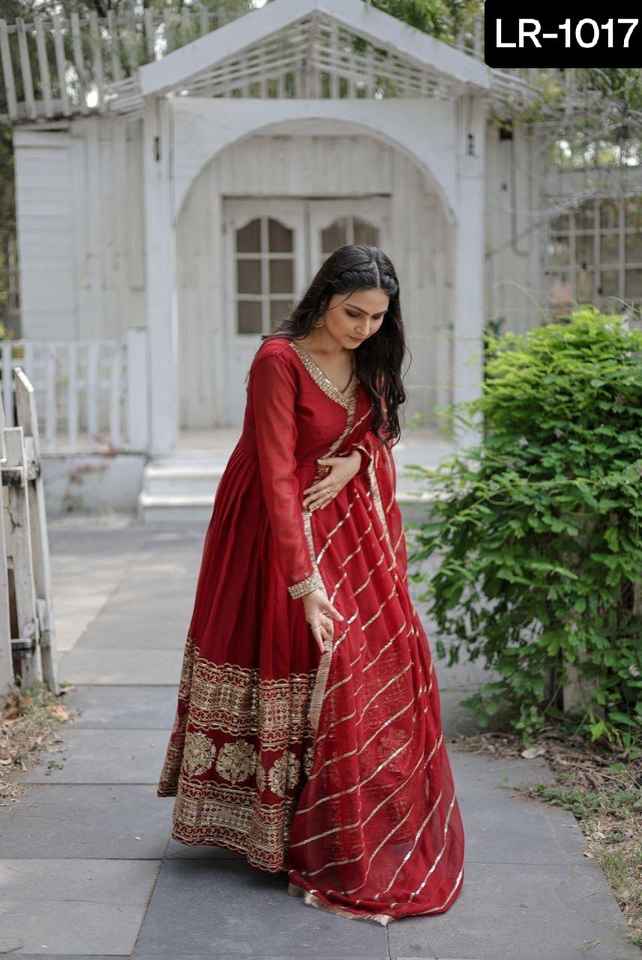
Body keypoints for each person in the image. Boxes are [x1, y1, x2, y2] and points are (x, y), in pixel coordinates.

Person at [156, 243, 465, 925]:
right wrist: (302, 583)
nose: (364, 328)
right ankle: (270, 826)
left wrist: (358, 460)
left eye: (377, 317)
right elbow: (273, 471)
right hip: (272, 526)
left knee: (378, 658)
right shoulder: (279, 360)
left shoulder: (370, 354)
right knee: (306, 650)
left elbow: (378, 429)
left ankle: (351, 818)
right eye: (353, 313)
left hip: (348, 523)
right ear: (324, 298)